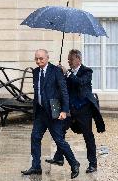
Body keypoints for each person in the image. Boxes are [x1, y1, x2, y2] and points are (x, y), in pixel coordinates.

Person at [21, 49, 80, 179]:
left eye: (41, 58)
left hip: (54, 111)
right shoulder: (36, 72)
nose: (38, 61)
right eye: (36, 58)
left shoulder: (56, 70)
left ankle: (74, 164)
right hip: (40, 112)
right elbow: (39, 92)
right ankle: (36, 166)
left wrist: (64, 110)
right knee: (35, 137)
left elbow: (64, 92)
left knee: (59, 140)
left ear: (47, 58)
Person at [45, 49, 105, 173]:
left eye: (71, 59)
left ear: (78, 59)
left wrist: (67, 73)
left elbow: (80, 82)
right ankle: (59, 157)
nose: (69, 61)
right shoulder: (69, 73)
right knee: (59, 131)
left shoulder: (87, 71)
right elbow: (63, 87)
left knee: (88, 137)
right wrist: (58, 73)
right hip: (70, 110)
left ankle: (93, 164)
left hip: (84, 110)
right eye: (68, 59)